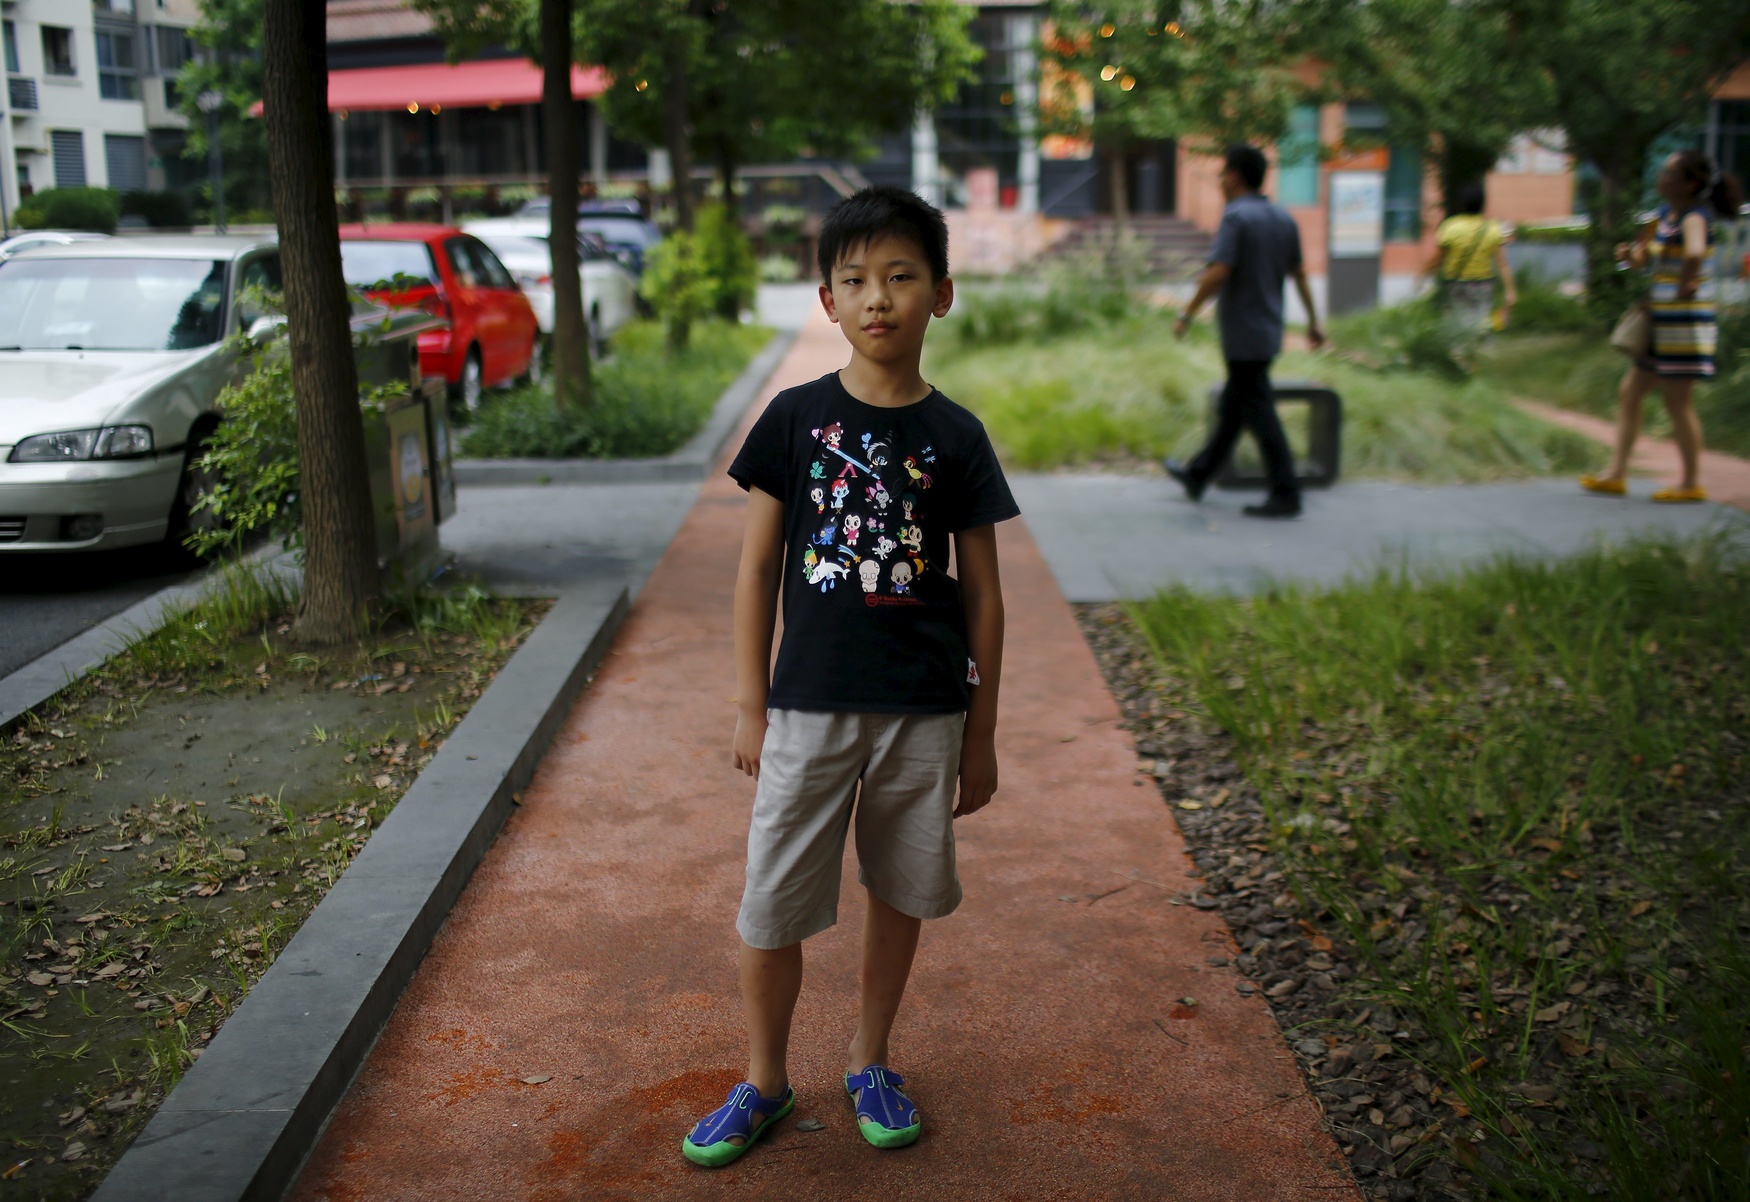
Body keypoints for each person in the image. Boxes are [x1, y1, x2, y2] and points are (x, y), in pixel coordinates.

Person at [682, 187, 1020, 1167]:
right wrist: (751, 703)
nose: (880, 297)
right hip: (807, 706)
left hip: (924, 708)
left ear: (941, 294)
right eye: (857, 279)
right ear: (827, 300)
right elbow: (755, 570)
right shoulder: (793, 419)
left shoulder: (957, 435)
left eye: (902, 276)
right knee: (771, 900)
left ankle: (870, 1059)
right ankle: (764, 1080)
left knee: (900, 889)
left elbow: (985, 595)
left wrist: (983, 732)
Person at [1165, 145, 1325, 519]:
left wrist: (1186, 313)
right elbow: (1299, 274)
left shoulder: (1237, 217)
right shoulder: (1283, 218)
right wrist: (1313, 322)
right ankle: (1198, 474)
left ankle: (1286, 493)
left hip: (1243, 333)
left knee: (1258, 410)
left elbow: (1219, 270)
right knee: (1234, 408)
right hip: (1268, 329)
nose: (1221, 181)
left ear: (1234, 177)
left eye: (1223, 174)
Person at [1581, 150, 1743, 503]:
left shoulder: (1694, 217)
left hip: (1683, 322)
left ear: (1690, 183)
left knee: (1677, 402)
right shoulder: (1663, 216)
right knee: (1630, 394)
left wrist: (1686, 282)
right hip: (1661, 318)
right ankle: (1616, 473)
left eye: (1669, 173)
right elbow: (1644, 259)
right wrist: (1629, 256)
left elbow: (1695, 252)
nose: (1661, 178)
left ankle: (1690, 482)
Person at [1427, 181, 1516, 341]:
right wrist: (1510, 290)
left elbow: (1438, 258)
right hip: (1483, 285)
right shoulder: (1492, 228)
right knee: (1482, 324)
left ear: (1461, 204)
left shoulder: (1450, 227)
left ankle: (1460, 352)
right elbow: (1502, 263)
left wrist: (1424, 276)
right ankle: (1481, 350)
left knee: (1457, 325)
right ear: (1482, 203)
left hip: (1456, 284)